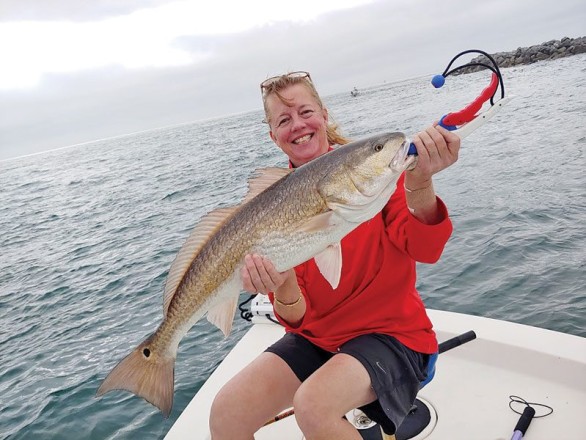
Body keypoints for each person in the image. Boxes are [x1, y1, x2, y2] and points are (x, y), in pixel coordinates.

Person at [209, 71, 460, 440]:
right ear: (273, 136)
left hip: (393, 334)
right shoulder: (269, 207)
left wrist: (420, 183)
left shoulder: (372, 174)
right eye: (284, 120)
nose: (297, 125)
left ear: (324, 115)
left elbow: (427, 249)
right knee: (226, 413)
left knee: (313, 405)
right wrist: (284, 282)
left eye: (305, 112)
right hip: (320, 339)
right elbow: (296, 318)